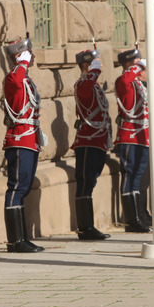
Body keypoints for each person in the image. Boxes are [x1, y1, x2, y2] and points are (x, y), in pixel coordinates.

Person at [2, 38, 46, 253]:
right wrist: (21, 64)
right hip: (19, 138)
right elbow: (16, 84)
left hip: (30, 138)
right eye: (29, 53)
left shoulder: (26, 79)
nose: (33, 56)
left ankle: (22, 237)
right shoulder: (13, 77)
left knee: (24, 187)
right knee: (17, 187)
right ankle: (15, 240)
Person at [70, 49, 113, 240]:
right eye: (96, 63)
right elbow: (87, 90)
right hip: (87, 140)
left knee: (91, 182)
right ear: (87, 66)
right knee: (85, 183)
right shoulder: (83, 84)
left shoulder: (94, 85)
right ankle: (85, 228)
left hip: (98, 139)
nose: (100, 66)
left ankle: (88, 226)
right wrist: (94, 71)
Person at [115, 48, 151, 233]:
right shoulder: (125, 81)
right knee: (130, 176)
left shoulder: (138, 83)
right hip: (129, 135)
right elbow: (125, 79)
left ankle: (138, 216)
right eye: (137, 63)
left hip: (141, 135)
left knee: (137, 177)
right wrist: (137, 66)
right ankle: (131, 220)